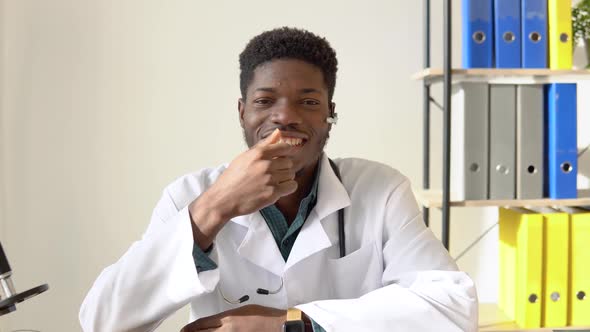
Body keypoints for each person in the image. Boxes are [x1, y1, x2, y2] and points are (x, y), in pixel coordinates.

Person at [79, 27, 478, 332]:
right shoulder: (189, 195)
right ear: (242, 113)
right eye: (265, 101)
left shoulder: (381, 189)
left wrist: (289, 323)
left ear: (329, 115)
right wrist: (214, 208)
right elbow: (103, 321)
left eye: (308, 102)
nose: (285, 116)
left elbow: (452, 308)